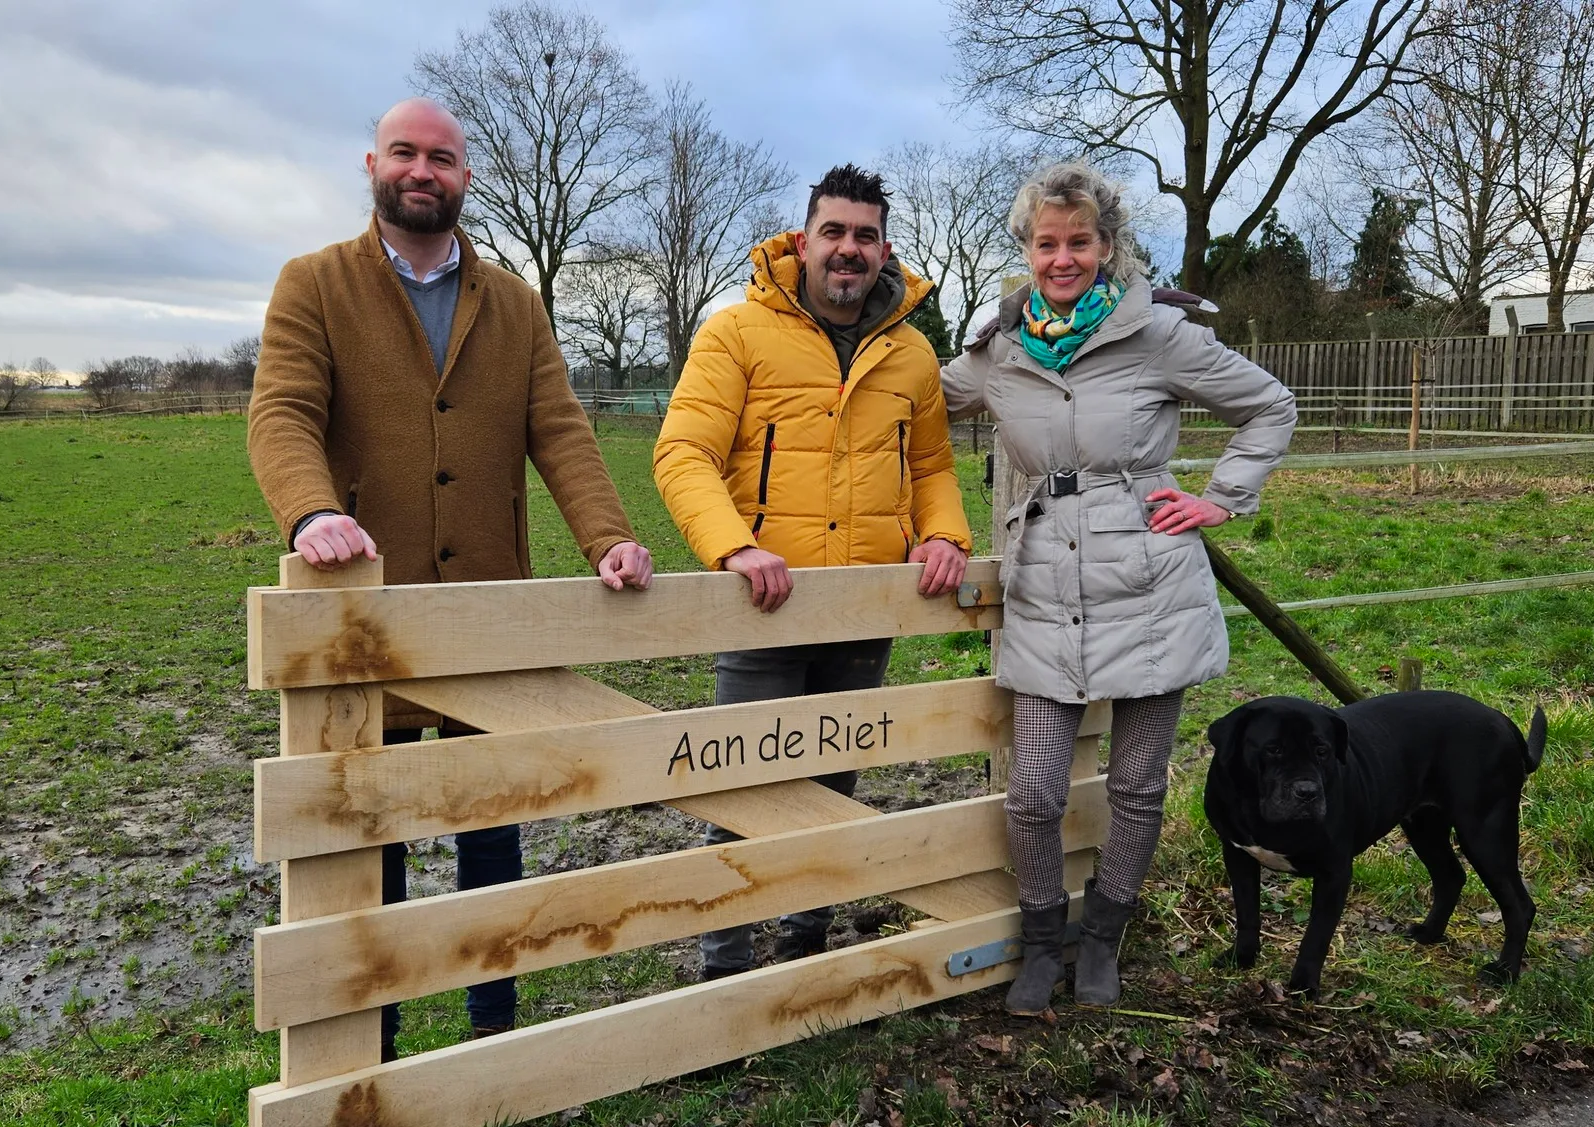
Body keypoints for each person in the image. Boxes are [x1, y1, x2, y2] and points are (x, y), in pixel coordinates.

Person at [246, 98, 654, 1052]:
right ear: (373, 165)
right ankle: (373, 1035)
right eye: (404, 153)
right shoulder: (312, 284)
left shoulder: (513, 301)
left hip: (486, 612)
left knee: (490, 819)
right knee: (371, 826)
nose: (421, 170)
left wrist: (608, 539)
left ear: (467, 177)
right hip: (364, 614)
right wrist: (314, 512)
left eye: (442, 157)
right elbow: (281, 413)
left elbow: (559, 428)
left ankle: (491, 1026)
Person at [942, 162, 1296, 1014]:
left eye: (1080, 242)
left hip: (1149, 586)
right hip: (1041, 589)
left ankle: (1103, 936)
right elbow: (911, 405)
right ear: (1026, 250)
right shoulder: (997, 349)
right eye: (1046, 243)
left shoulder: (1156, 335)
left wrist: (1218, 499)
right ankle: (1040, 939)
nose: (1063, 259)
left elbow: (1269, 406)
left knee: (1137, 784)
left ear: (1107, 246)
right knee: (1033, 790)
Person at [654, 164, 974, 979]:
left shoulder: (911, 355)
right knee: (739, 784)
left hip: (864, 604)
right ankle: (723, 962)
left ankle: (804, 943)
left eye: (865, 235)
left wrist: (944, 535)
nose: (849, 249)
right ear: (804, 241)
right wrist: (735, 547)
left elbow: (933, 465)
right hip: (763, 602)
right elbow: (684, 452)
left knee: (833, 779)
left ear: (884, 248)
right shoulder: (735, 333)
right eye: (834, 232)